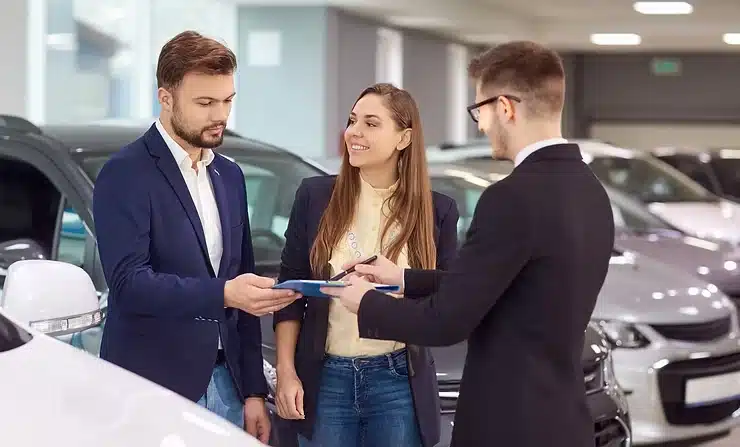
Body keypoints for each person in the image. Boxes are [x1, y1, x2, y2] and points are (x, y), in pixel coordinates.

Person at [322, 41, 615, 447]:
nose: (480, 125)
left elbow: (447, 321)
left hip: (508, 425)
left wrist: (365, 301)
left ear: (506, 108)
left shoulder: (511, 197)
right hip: (563, 419)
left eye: (480, 110)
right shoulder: (590, 190)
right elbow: (510, 284)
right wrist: (407, 279)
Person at [93, 30, 300, 442]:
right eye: (205, 103)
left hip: (228, 388)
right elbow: (129, 284)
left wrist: (254, 392)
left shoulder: (230, 175)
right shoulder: (126, 172)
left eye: (227, 101)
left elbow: (240, 276)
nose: (219, 115)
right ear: (165, 97)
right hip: (150, 389)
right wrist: (224, 293)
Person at [272, 83, 460, 447]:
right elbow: (290, 292)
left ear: (404, 138)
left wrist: (403, 282)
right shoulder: (314, 197)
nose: (354, 132)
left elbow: (449, 292)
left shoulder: (437, 211)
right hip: (326, 380)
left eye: (371, 124)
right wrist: (286, 372)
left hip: (398, 382)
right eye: (352, 120)